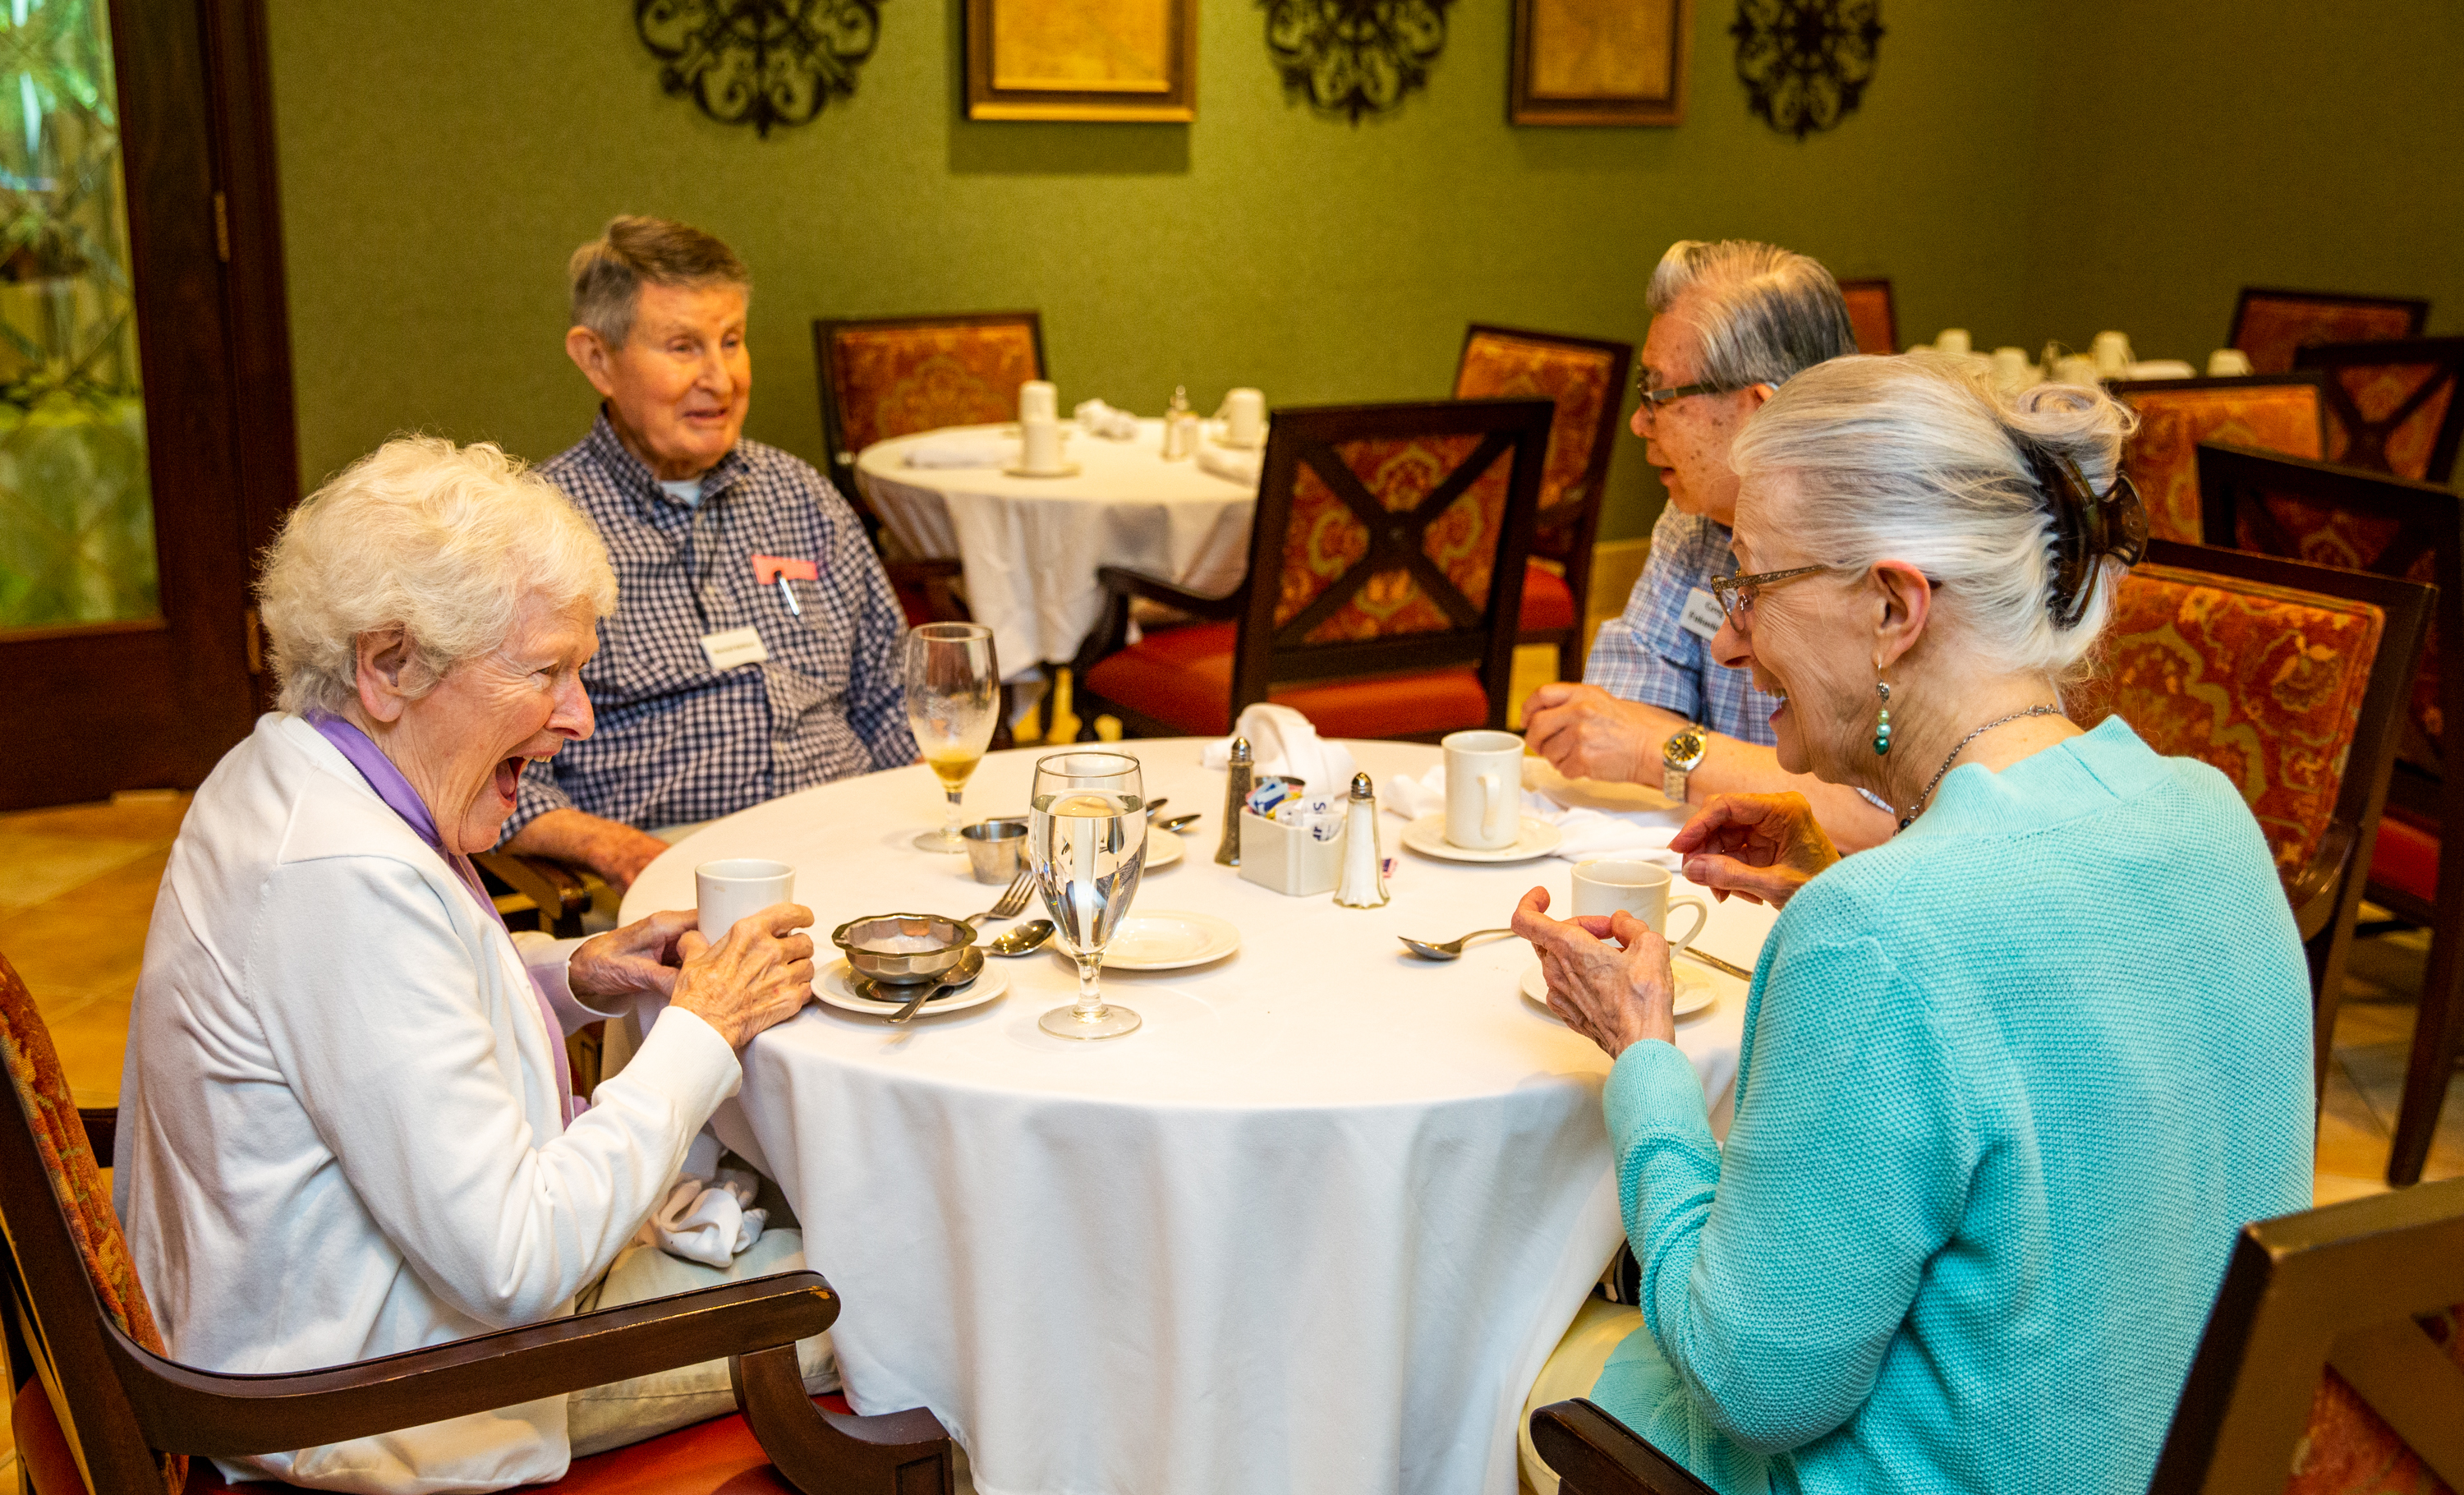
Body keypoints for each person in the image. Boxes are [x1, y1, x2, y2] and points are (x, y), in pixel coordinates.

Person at [1512, 356, 2314, 1494]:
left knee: (1539, 1382)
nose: (1730, 645)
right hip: (2164, 1455)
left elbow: (1754, 1380)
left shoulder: (1880, 937)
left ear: (1894, 608)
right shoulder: (2207, 812)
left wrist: (1642, 1060)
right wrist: (1848, 867)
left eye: (1751, 588)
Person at [114, 438, 834, 1490]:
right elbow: (515, 1261)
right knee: (889, 1284)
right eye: (544, 670)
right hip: (383, 1399)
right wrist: (702, 1031)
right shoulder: (341, 877)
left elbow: (376, 1028)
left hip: (313, 1320)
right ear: (389, 663)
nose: (579, 714)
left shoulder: (287, 770)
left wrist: (574, 976)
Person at [499, 215, 915, 890]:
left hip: (851, 841)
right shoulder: (538, 531)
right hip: (670, 866)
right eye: (684, 347)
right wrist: (616, 852)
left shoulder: (800, 496)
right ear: (597, 359)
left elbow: (890, 696)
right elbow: (497, 766)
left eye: (732, 341)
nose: (720, 380)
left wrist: (926, 825)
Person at [1520, 240, 1892, 850]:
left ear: (1760, 413)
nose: (1640, 423)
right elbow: (1617, 715)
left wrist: (1661, 752)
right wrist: (1651, 748)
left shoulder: (1880, 554)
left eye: (1659, 396)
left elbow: (1881, 811)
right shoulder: (1695, 520)